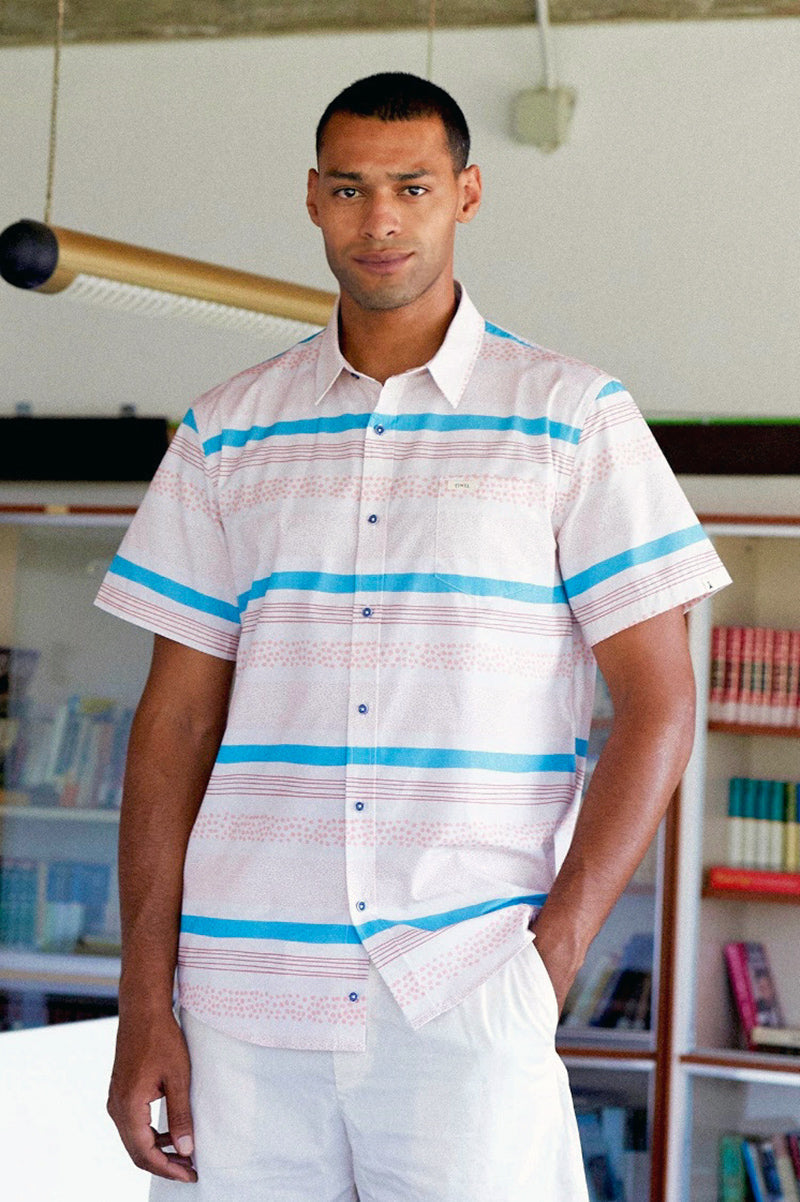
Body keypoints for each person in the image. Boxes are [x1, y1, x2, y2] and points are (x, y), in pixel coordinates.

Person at [98, 72, 730, 1201]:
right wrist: (145, 997)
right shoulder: (225, 431)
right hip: (240, 1001)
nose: (378, 218)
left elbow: (659, 697)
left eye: (409, 186)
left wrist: (554, 952)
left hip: (464, 988)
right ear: (311, 199)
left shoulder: (570, 415)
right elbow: (174, 720)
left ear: (465, 195)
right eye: (348, 188)